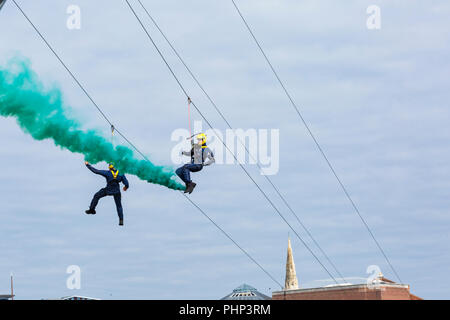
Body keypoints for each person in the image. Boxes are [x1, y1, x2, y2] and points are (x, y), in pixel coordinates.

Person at [84, 161, 129, 226]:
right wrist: (126, 187)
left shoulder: (108, 173)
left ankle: (92, 209)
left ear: (110, 167)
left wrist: (88, 165)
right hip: (117, 192)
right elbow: (126, 183)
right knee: (119, 205)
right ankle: (121, 220)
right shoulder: (121, 173)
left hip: (108, 190)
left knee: (97, 196)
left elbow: (96, 171)